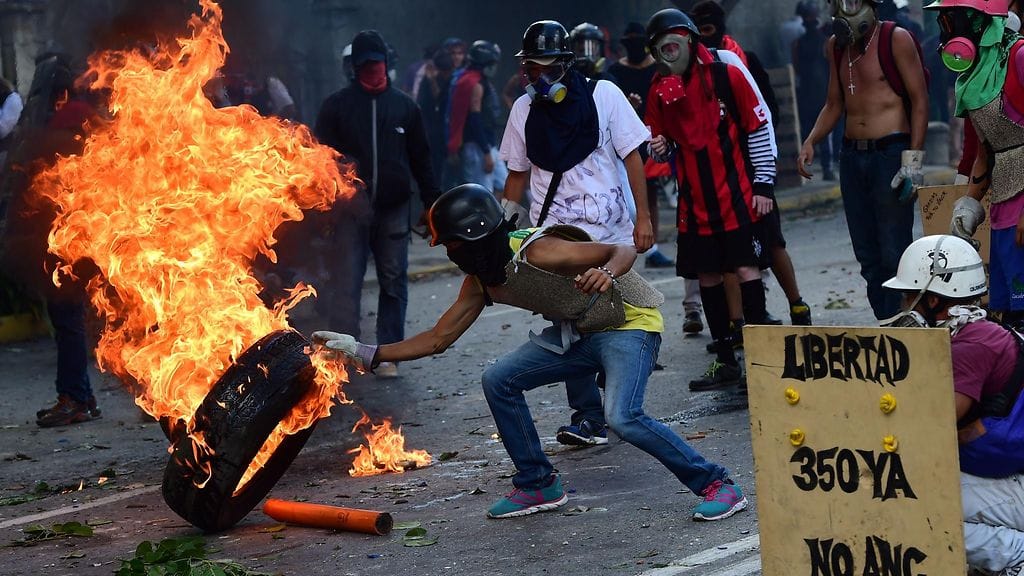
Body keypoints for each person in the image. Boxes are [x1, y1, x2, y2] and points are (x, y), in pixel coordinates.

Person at [312, 183, 749, 521]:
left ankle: (717, 484)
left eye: (450, 244)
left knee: (622, 416)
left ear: (474, 237)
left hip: (627, 325)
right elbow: (437, 338)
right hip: (580, 333)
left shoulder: (537, 250)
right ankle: (538, 483)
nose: (447, 252)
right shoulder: (483, 280)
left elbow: (622, 249)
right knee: (498, 379)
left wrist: (605, 272)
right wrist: (363, 350)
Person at [500, 20, 655, 447]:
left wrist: (643, 218)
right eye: (531, 68)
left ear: (566, 64)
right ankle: (589, 417)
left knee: (616, 323)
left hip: (612, 236)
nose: (537, 76)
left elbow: (633, 157)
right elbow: (516, 178)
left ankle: (621, 405)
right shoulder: (523, 111)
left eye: (545, 66)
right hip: (557, 244)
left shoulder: (604, 96)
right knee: (570, 322)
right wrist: (505, 235)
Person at [645, 9, 776, 391]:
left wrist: (763, 185)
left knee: (748, 272)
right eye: (661, 48)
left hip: (736, 195)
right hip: (694, 204)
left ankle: (760, 361)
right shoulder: (659, 89)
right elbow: (661, 147)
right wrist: (659, 146)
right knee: (707, 277)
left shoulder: (726, 72)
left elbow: (757, 125)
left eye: (674, 43)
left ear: (689, 40)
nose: (670, 53)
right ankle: (725, 360)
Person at [881, 234, 1024, 576]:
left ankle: (1015, 555)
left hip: (1017, 486)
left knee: (915, 501)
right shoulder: (977, 330)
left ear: (931, 299)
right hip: (1010, 479)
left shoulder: (969, 348)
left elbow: (934, 425)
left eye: (908, 297)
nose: (903, 306)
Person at [313, 29, 441, 379]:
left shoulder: (404, 106)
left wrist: (432, 204)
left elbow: (422, 159)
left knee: (393, 280)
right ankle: (341, 355)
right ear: (354, 68)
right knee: (347, 282)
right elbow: (320, 160)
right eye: (365, 64)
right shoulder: (336, 106)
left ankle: (388, 356)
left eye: (377, 63)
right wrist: (326, 207)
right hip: (350, 212)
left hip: (393, 209)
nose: (372, 69)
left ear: (387, 63)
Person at [798, 0, 928, 322]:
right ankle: (887, 323)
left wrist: (912, 160)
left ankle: (909, 320)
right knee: (867, 254)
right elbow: (834, 103)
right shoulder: (836, 46)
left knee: (893, 249)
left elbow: (920, 99)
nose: (845, 8)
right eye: (839, 2)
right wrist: (811, 140)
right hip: (852, 156)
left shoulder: (895, 39)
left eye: (853, 1)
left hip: (889, 154)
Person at [690, 0, 813, 337]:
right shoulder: (687, 71)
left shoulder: (736, 62)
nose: (706, 29)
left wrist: (764, 176)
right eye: (700, 25)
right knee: (731, 255)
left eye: (710, 23)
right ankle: (739, 323)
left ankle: (797, 305)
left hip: (750, 169)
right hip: (721, 177)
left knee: (772, 242)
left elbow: (764, 115)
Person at [0, 53, 101, 427]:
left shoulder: (68, 117)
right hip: (73, 232)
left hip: (70, 236)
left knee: (68, 318)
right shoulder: (73, 115)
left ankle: (74, 396)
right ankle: (83, 396)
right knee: (71, 319)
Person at [937, 0, 1024, 328]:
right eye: (943, 21)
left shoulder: (1017, 55)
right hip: (1003, 203)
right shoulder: (974, 73)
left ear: (976, 19)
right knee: (1005, 314)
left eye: (952, 19)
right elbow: (984, 153)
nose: (946, 29)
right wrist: (966, 208)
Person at [608, 22, 677, 272]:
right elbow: (612, 105)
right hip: (623, 138)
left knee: (651, 194)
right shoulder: (615, 71)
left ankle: (653, 245)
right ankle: (624, 245)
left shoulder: (659, 69)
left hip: (652, 137)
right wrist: (628, 107)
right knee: (625, 197)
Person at [447, 40, 507, 195]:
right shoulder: (474, 83)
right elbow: (475, 119)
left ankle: (496, 218)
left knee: (503, 182)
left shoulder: (479, 80)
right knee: (482, 194)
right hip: (477, 146)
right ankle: (484, 220)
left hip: (488, 143)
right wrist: (486, 152)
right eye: (491, 63)